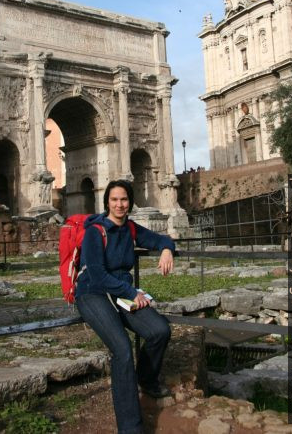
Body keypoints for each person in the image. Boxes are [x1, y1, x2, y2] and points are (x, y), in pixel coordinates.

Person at [75, 179, 175, 434]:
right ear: (107, 202)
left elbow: (161, 239)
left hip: (121, 295)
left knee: (159, 330)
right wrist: (133, 291)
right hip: (93, 293)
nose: (119, 204)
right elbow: (97, 275)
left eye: (124, 200)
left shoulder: (130, 228)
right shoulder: (95, 232)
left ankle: (145, 378)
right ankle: (131, 428)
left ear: (130, 202)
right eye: (114, 200)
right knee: (122, 350)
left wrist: (166, 250)